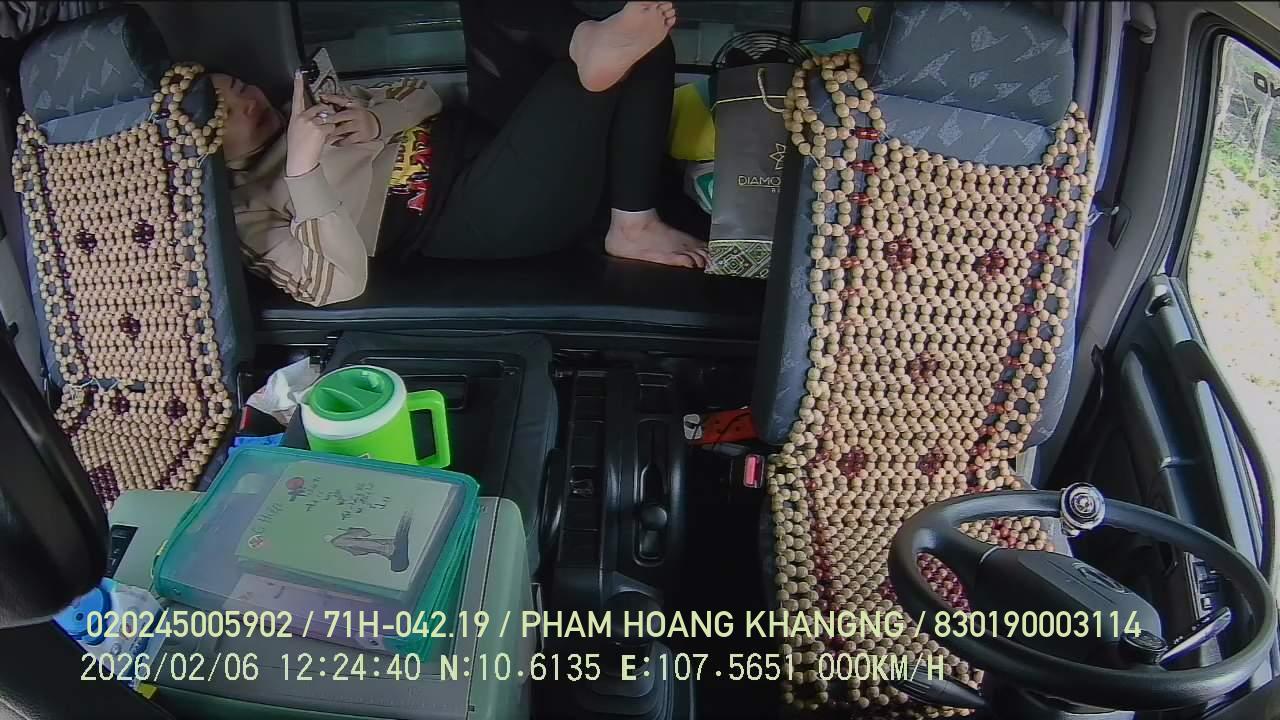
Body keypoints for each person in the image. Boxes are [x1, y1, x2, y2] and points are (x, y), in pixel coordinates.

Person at [216, 0, 707, 308]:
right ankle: (633, 227)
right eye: (226, 114)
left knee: (636, 48)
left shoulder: (306, 104)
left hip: (480, 136)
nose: (248, 103)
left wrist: (377, 120)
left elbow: (423, 94)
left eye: (239, 87)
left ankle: (586, 40)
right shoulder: (244, 210)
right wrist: (303, 171)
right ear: (204, 146)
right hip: (469, 212)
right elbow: (334, 286)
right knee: (601, 70)